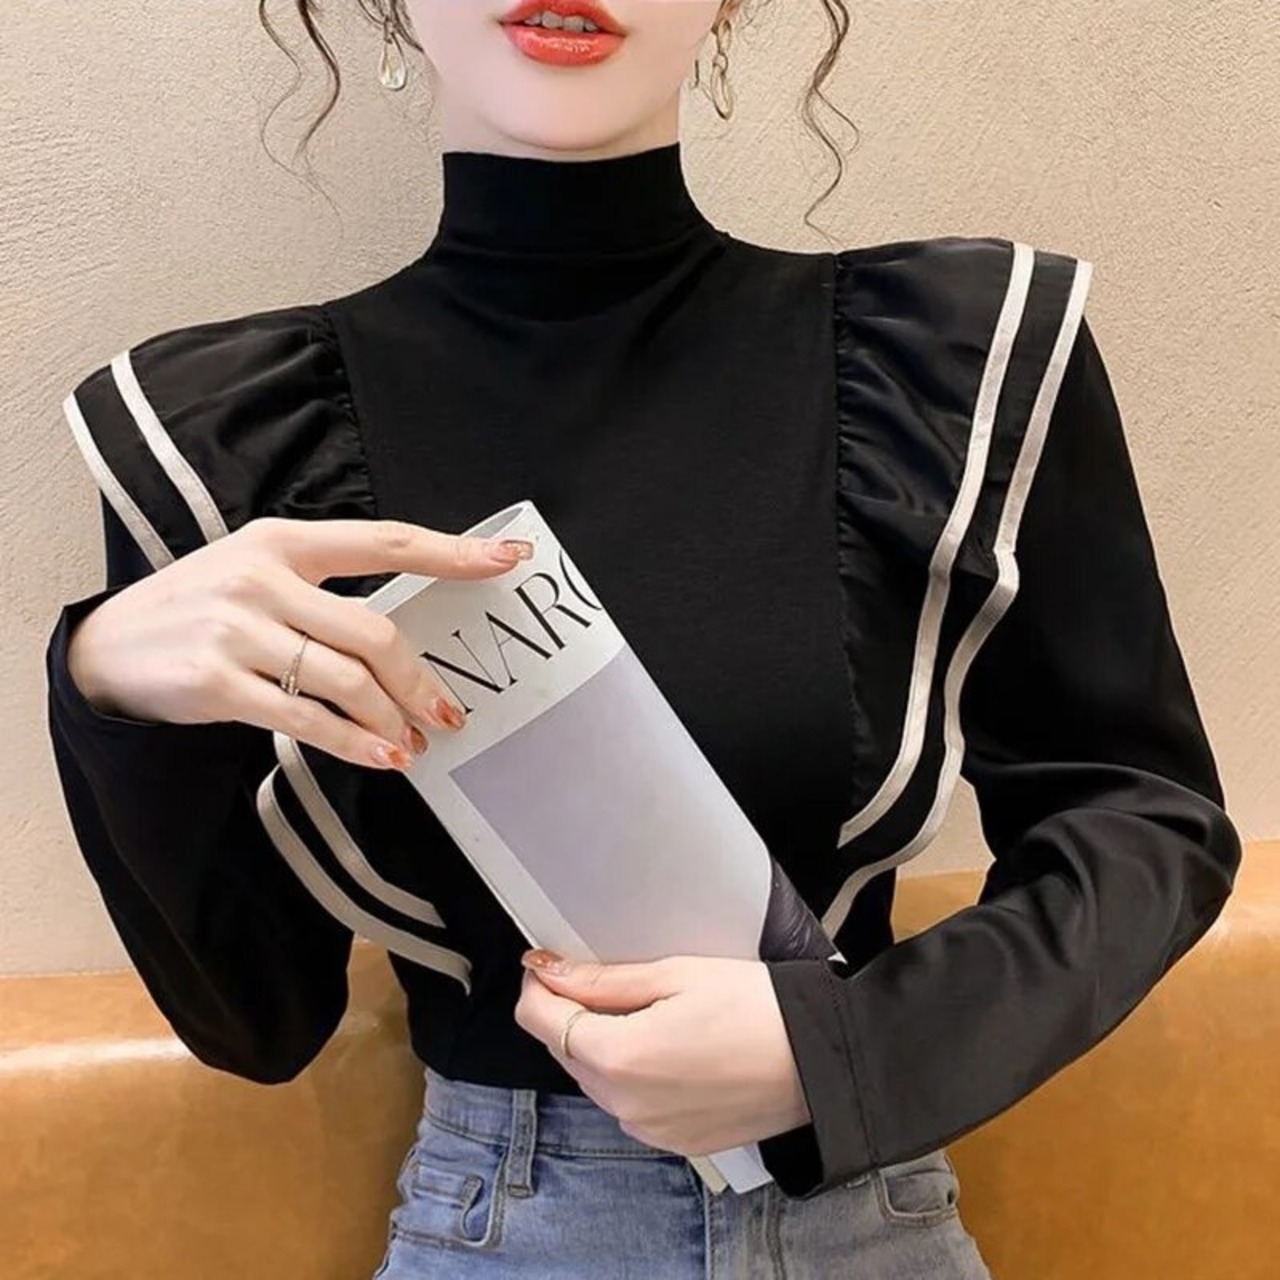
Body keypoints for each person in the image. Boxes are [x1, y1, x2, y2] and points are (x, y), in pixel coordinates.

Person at [43, 2, 1242, 1277]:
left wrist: (845, 1048)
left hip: (869, 1220)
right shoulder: (221, 440)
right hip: (500, 1227)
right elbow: (260, 1019)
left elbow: (1143, 816)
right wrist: (107, 689)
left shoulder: (955, 363)